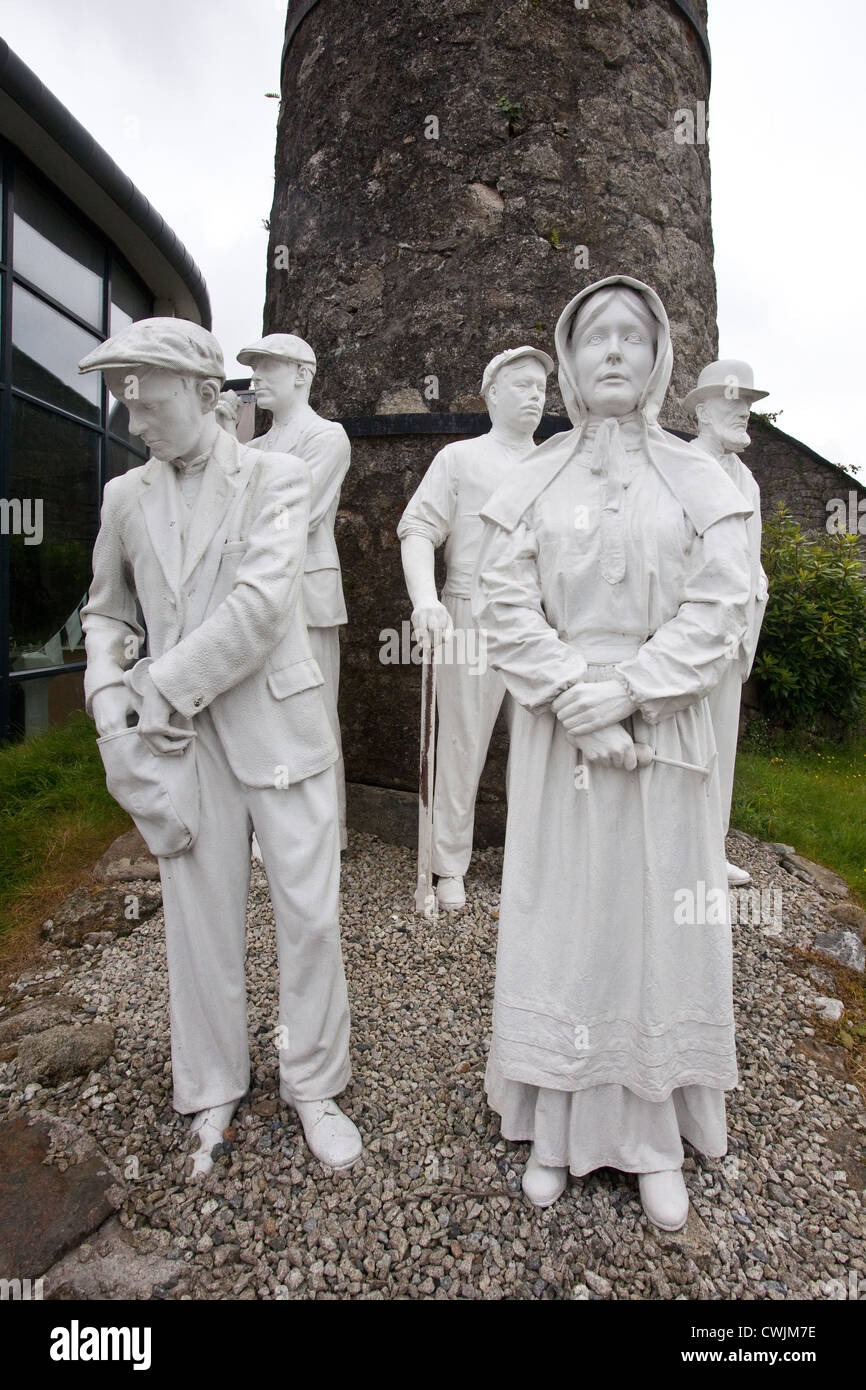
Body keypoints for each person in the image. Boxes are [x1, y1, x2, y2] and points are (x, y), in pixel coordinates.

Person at [472, 277, 753, 1229]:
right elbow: (503, 605)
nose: (616, 352)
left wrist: (630, 691)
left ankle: (650, 1136)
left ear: (660, 354)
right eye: (597, 337)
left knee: (656, 925)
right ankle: (556, 1124)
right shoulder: (535, 480)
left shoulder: (697, 478)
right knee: (571, 919)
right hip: (563, 742)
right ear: (569, 360)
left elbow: (720, 605)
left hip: (664, 733)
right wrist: (575, 701)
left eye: (635, 336)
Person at [79, 318, 362, 1178]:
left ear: (208, 397)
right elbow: (107, 612)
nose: (135, 423)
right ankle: (211, 1087)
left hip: (280, 731)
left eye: (149, 403)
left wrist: (156, 686)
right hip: (183, 749)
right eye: (126, 405)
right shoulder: (125, 498)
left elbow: (263, 606)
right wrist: (105, 702)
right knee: (200, 925)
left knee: (309, 917)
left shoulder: (277, 478)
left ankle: (314, 1083)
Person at [397, 347, 553, 910]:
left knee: (540, 748)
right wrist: (425, 601)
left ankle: (532, 860)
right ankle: (447, 864)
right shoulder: (459, 459)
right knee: (462, 743)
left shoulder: (556, 463)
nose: (535, 396)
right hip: (472, 614)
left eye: (541, 386)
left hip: (540, 624)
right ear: (491, 394)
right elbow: (417, 527)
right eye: (522, 385)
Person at [237, 334, 351, 850]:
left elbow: (293, 516)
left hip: (306, 596)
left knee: (315, 712)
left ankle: (327, 829)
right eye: (253, 369)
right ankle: (272, 827)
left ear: (302, 374)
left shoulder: (327, 438)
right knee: (263, 710)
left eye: (267, 368)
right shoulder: (253, 448)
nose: (255, 378)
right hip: (260, 593)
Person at [685, 360, 770, 887]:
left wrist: (747, 619)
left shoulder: (748, 481)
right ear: (703, 410)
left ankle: (711, 847)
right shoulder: (679, 466)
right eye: (733, 402)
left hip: (735, 632)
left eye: (748, 405)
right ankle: (675, 847)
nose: (743, 413)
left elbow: (751, 558)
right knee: (683, 743)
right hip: (690, 631)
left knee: (721, 741)